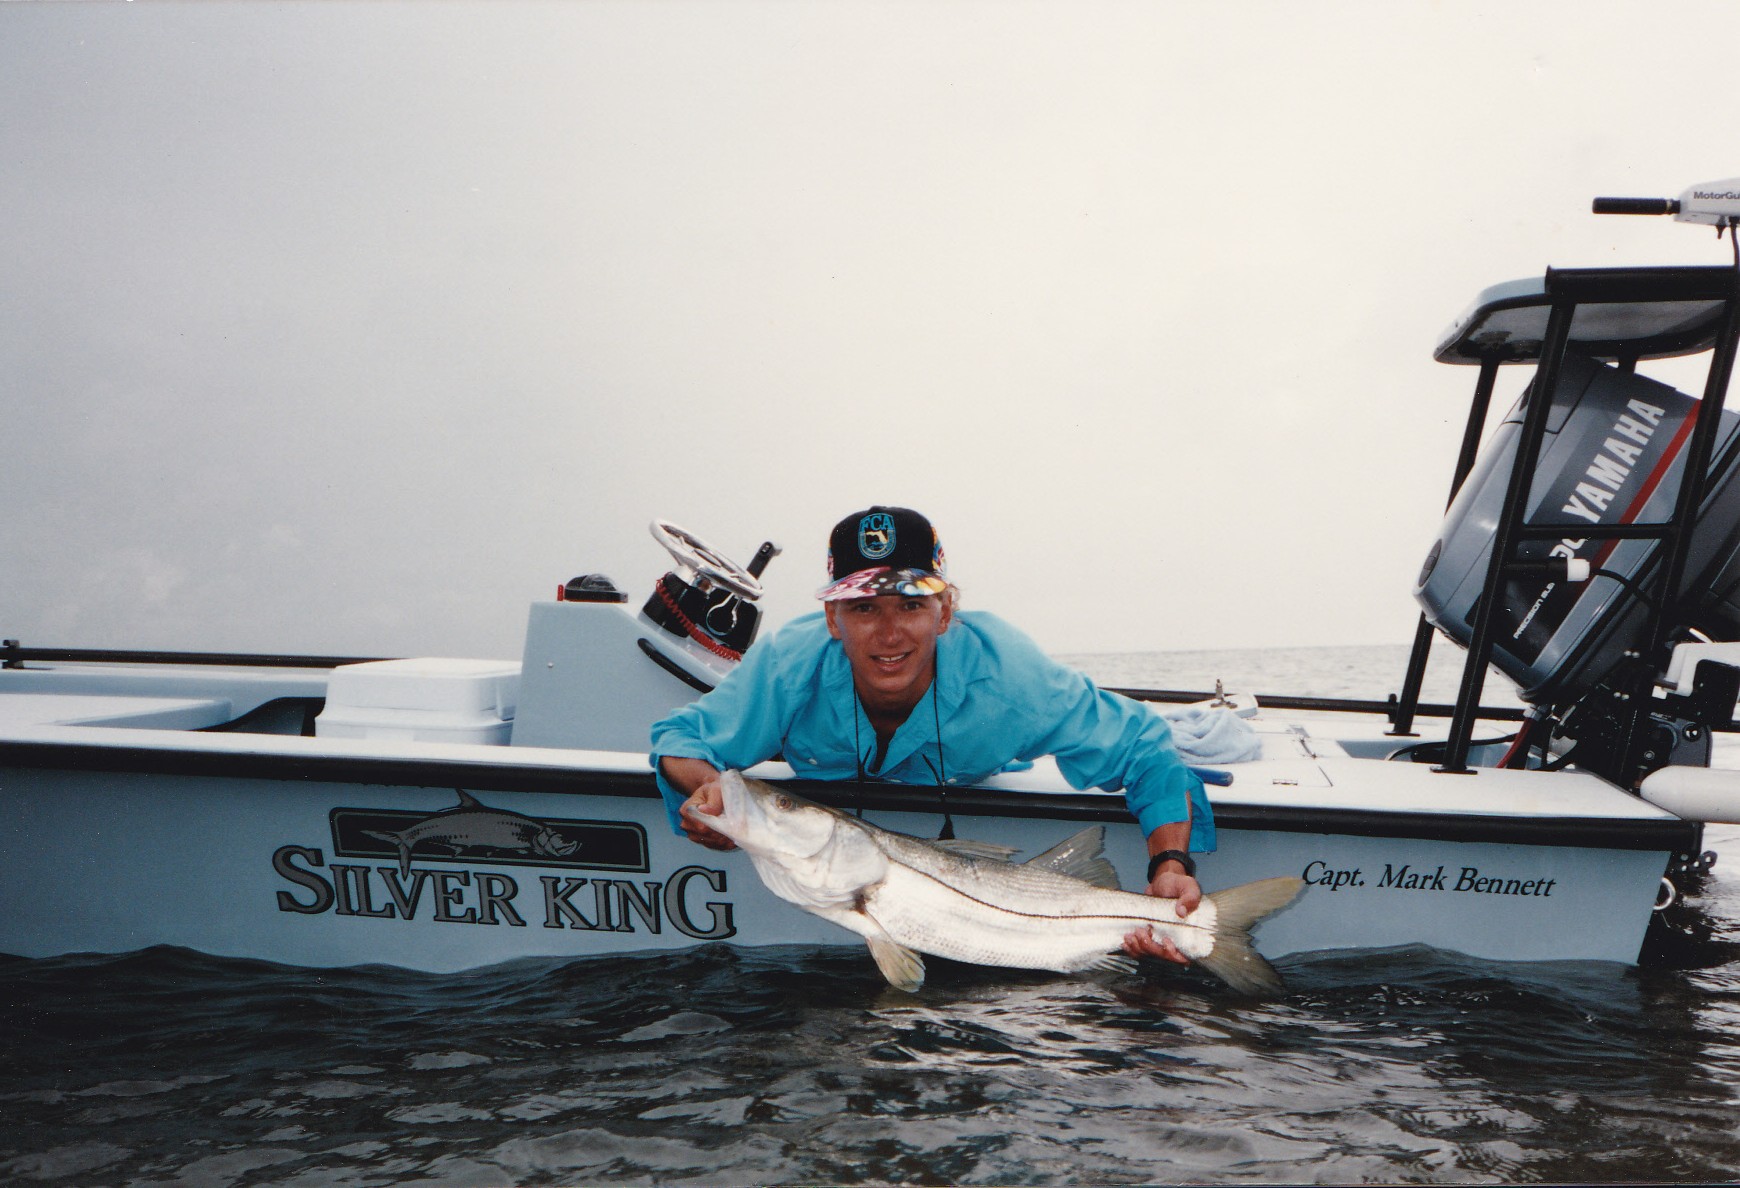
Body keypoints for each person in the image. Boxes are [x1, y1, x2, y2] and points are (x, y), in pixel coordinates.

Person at [649, 506, 1215, 966]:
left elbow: (1144, 747)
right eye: (863, 607)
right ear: (831, 619)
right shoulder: (787, 664)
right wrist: (707, 795)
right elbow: (683, 739)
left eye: (912, 605)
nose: (889, 632)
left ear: (945, 612)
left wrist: (1170, 865)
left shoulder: (1010, 677)